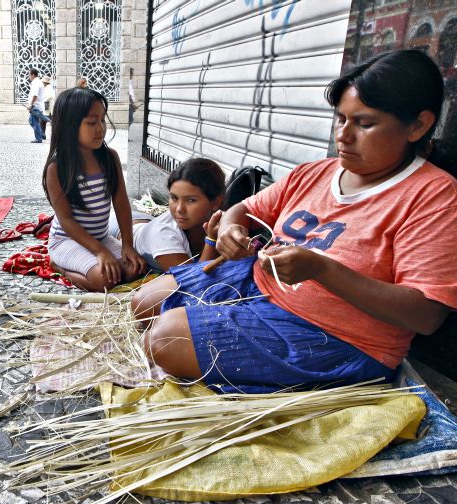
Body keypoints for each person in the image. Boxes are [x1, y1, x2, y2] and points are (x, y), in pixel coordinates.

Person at [131, 49, 457, 394]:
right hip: (257, 286)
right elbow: (240, 210)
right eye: (341, 119)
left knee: (165, 340)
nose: (344, 136)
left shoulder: (433, 195)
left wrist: (323, 270)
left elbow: (426, 315)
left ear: (418, 125)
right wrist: (229, 230)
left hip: (332, 336)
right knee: (142, 303)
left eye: (364, 123)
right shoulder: (314, 173)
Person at [44, 87, 146, 291]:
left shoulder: (110, 158)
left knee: (136, 269)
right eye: (91, 122)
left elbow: (121, 203)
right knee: (105, 280)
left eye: (102, 120)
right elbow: (67, 221)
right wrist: (100, 252)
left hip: (100, 237)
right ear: (68, 127)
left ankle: (98, 258)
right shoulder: (57, 169)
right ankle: (59, 266)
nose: (100, 128)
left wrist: (127, 244)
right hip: (66, 240)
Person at [109, 158, 225, 272]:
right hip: (119, 228)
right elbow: (195, 281)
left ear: (215, 202)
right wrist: (211, 240)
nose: (179, 209)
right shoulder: (162, 234)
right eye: (174, 198)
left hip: (145, 221)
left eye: (191, 200)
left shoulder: (225, 221)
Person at [26, 68, 50, 144]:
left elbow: (35, 95)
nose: (28, 77)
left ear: (33, 75)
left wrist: (31, 105)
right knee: (33, 121)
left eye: (29, 75)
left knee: (33, 121)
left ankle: (39, 138)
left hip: (35, 106)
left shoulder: (36, 83)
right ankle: (41, 134)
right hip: (38, 105)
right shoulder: (38, 82)